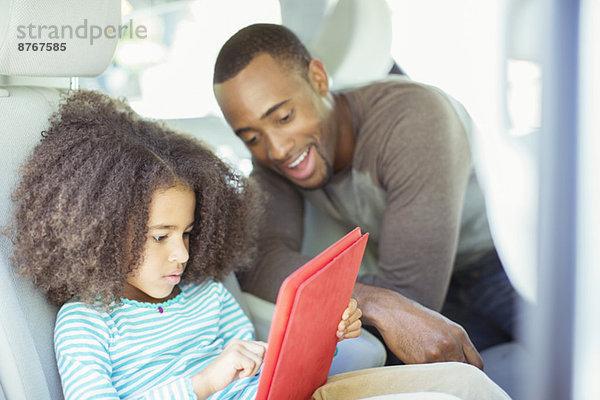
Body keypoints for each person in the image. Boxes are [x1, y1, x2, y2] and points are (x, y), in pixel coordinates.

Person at [9, 90, 511, 400]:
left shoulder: (204, 293)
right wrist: (205, 382)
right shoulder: (86, 322)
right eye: (160, 237)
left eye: (184, 234)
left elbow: (267, 363)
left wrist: (322, 339)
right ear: (97, 233)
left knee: (464, 385)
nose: (181, 254)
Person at [213, 23, 520, 366]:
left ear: (318, 79)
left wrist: (376, 299)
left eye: (284, 117)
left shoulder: (415, 121)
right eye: (251, 137)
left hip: (507, 266)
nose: (277, 149)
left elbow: (413, 297)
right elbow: (258, 264)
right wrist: (372, 300)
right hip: (441, 300)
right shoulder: (274, 160)